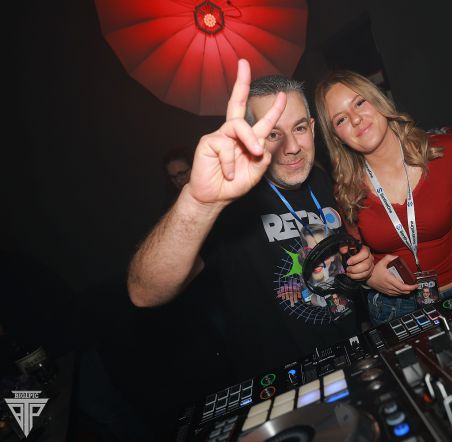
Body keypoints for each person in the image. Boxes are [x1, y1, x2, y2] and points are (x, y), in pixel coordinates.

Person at [127, 60, 373, 376]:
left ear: (312, 128)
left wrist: (360, 267)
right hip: (286, 380)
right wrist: (198, 202)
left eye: (299, 128)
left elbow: (337, 259)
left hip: (350, 355)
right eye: (273, 134)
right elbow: (144, 292)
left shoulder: (323, 182)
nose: (293, 147)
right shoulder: (232, 204)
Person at [314, 70, 452, 326]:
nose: (356, 119)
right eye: (341, 120)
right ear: (336, 137)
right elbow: (354, 256)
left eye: (359, 103)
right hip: (391, 308)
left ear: (378, 99)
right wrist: (368, 277)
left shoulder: (445, 151)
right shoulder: (345, 188)